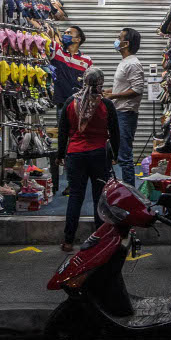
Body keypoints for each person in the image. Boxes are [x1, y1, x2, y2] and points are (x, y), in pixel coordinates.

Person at [57, 67, 119, 252]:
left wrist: (61, 154)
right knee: (99, 197)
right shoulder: (106, 104)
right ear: (101, 83)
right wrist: (115, 154)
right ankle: (99, 240)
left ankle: (68, 241)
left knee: (76, 196)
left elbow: (62, 132)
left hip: (75, 155)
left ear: (83, 81)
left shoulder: (70, 102)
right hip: (99, 155)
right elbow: (115, 134)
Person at [49, 26, 91, 194]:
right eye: (64, 33)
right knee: (65, 143)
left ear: (77, 39)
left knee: (79, 141)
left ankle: (78, 178)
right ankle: (70, 181)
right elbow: (49, 37)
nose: (65, 35)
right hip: (62, 104)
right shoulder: (57, 52)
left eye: (69, 33)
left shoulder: (87, 60)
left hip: (79, 106)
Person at [104, 27, 145, 185]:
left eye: (119, 38)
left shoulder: (133, 64)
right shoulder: (125, 62)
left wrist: (113, 96)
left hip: (125, 114)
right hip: (118, 113)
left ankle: (131, 192)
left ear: (126, 43)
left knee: (124, 156)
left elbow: (137, 89)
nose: (116, 40)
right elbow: (124, 86)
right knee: (114, 153)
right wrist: (108, 91)